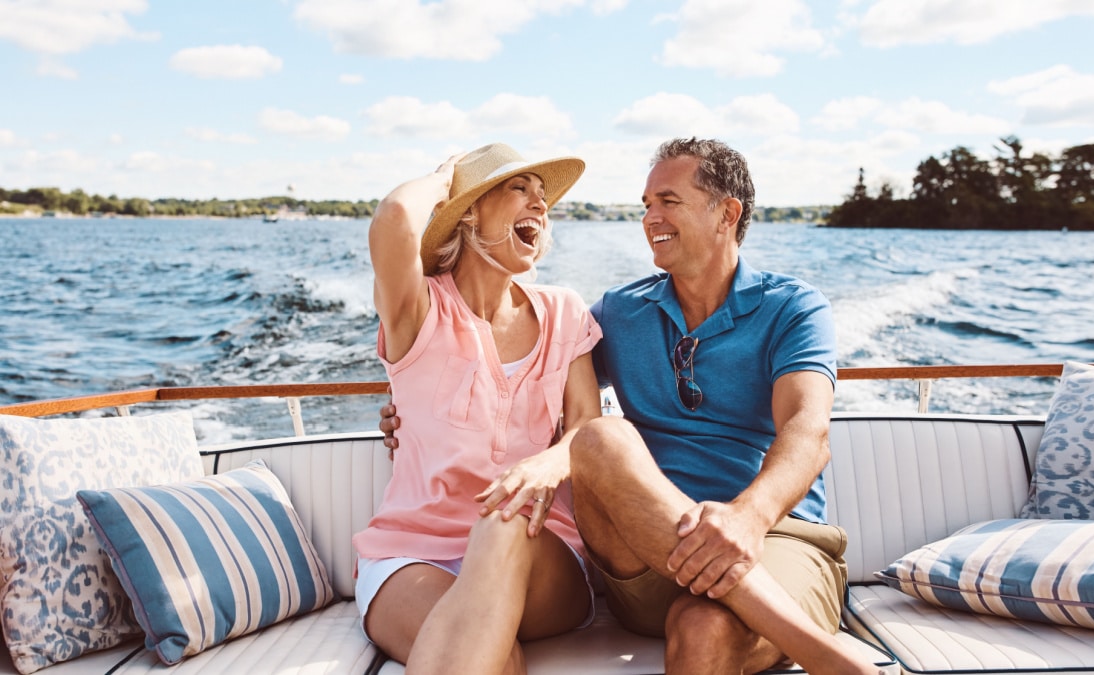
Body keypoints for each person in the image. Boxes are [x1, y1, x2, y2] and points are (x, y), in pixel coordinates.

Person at [380, 138, 878, 674]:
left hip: (772, 533)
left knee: (703, 628)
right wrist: (410, 402)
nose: (649, 218)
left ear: (727, 214)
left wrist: (747, 517)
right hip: (645, 555)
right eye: (646, 204)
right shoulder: (619, 312)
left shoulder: (792, 307)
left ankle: (817, 650)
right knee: (602, 436)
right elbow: (523, 379)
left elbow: (807, 432)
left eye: (668, 201)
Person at [355, 142, 603, 675]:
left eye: (543, 195)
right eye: (519, 188)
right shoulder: (419, 310)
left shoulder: (565, 311)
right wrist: (445, 180)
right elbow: (395, 218)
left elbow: (588, 425)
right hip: (413, 552)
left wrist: (550, 461)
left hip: (538, 547)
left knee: (504, 525)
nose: (540, 204)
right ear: (469, 213)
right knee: (496, 661)